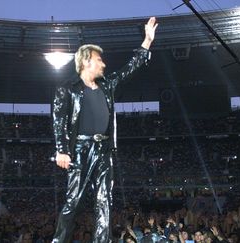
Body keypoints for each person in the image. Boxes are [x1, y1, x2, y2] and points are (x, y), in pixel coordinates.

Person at [52, 17, 158, 243]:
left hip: (104, 149)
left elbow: (129, 69)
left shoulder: (107, 85)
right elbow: (59, 120)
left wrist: (147, 41)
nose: (104, 64)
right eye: (99, 60)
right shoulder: (67, 89)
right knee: (74, 201)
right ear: (86, 62)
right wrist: (62, 150)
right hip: (80, 149)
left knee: (104, 201)